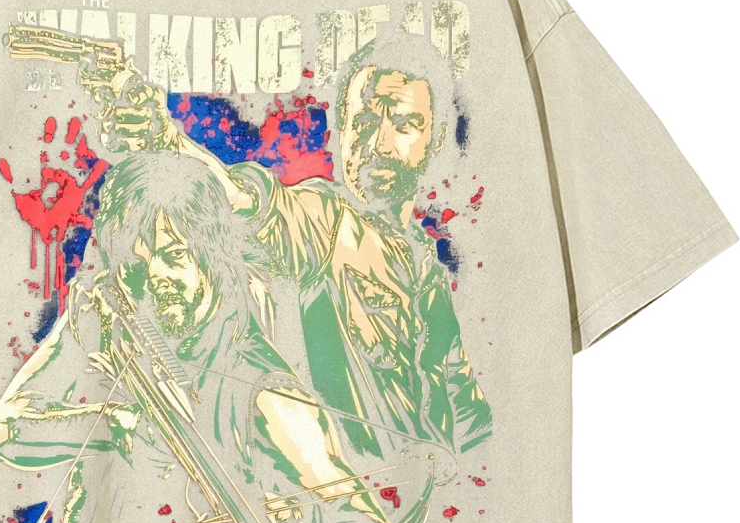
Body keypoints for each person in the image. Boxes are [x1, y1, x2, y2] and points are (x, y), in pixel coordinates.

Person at [0, 150, 393, 523]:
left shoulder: (265, 393)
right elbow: (2, 431)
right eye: (135, 262)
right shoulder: (106, 308)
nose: (153, 276)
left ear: (211, 252)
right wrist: (114, 424)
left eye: (174, 254)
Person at [103, 29, 492, 467]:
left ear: (436, 139)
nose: (379, 145)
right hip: (343, 494)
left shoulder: (428, 269)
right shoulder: (324, 221)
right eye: (364, 124)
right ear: (339, 130)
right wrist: (165, 138)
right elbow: (243, 198)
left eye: (403, 126)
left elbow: (469, 415)